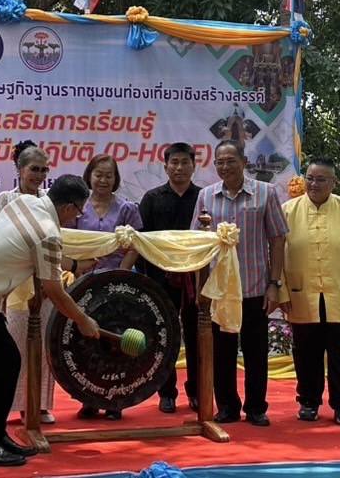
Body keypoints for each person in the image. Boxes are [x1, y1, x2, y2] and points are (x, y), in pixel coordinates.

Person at [0, 175, 103, 467]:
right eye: (78, 211)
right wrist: (83, 319)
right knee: (6, 361)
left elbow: (40, 254)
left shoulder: (25, 202)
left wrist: (75, 265)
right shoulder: (48, 232)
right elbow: (54, 289)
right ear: (69, 207)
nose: (76, 217)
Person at [191, 140, 288, 426]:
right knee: (222, 353)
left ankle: (256, 407)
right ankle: (227, 407)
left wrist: (275, 284)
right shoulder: (206, 196)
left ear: (244, 162)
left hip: (255, 286)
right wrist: (200, 288)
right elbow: (197, 244)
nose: (225, 167)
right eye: (219, 162)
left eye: (230, 161)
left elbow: (278, 239)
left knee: (256, 352)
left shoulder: (266, 192)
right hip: (218, 290)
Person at [278, 157, 340, 427]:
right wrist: (281, 292)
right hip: (301, 295)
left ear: (334, 183)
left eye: (321, 179)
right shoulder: (287, 211)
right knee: (305, 352)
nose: (314, 184)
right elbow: (275, 255)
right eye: (310, 178)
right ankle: (308, 402)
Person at [73, 154, 143, 420]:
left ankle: (116, 402)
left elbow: (135, 245)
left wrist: (121, 273)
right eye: (98, 174)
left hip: (118, 284)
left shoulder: (127, 208)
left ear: (116, 179)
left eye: (108, 175)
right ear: (89, 176)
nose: (103, 180)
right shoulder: (78, 207)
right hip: (84, 283)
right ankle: (88, 399)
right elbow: (69, 242)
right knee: (85, 342)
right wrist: (78, 268)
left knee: (117, 341)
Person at [138, 142, 202, 414]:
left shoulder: (203, 197)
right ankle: (166, 393)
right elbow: (141, 242)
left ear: (193, 166)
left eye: (184, 162)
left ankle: (197, 392)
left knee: (196, 336)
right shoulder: (152, 198)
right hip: (160, 281)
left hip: (195, 281)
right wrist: (146, 281)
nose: (179, 167)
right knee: (164, 336)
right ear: (165, 167)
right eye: (174, 162)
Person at [0, 140, 56, 425]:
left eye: (44, 170)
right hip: (16, 283)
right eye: (34, 169)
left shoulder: (49, 200)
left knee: (45, 345)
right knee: (17, 347)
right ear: (20, 169)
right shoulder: (5, 199)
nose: (39, 175)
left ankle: (41, 405)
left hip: (46, 282)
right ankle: (19, 404)